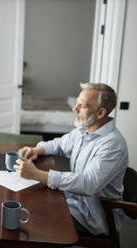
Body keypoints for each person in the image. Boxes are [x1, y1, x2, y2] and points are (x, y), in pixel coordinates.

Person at [15, 83, 128, 236]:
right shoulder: (84, 130)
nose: (74, 109)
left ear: (101, 113)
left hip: (94, 217)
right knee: (31, 202)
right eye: (76, 103)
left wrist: (37, 174)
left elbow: (89, 184)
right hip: (74, 200)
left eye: (82, 106)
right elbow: (60, 144)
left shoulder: (113, 144)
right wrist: (38, 149)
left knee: (33, 218)